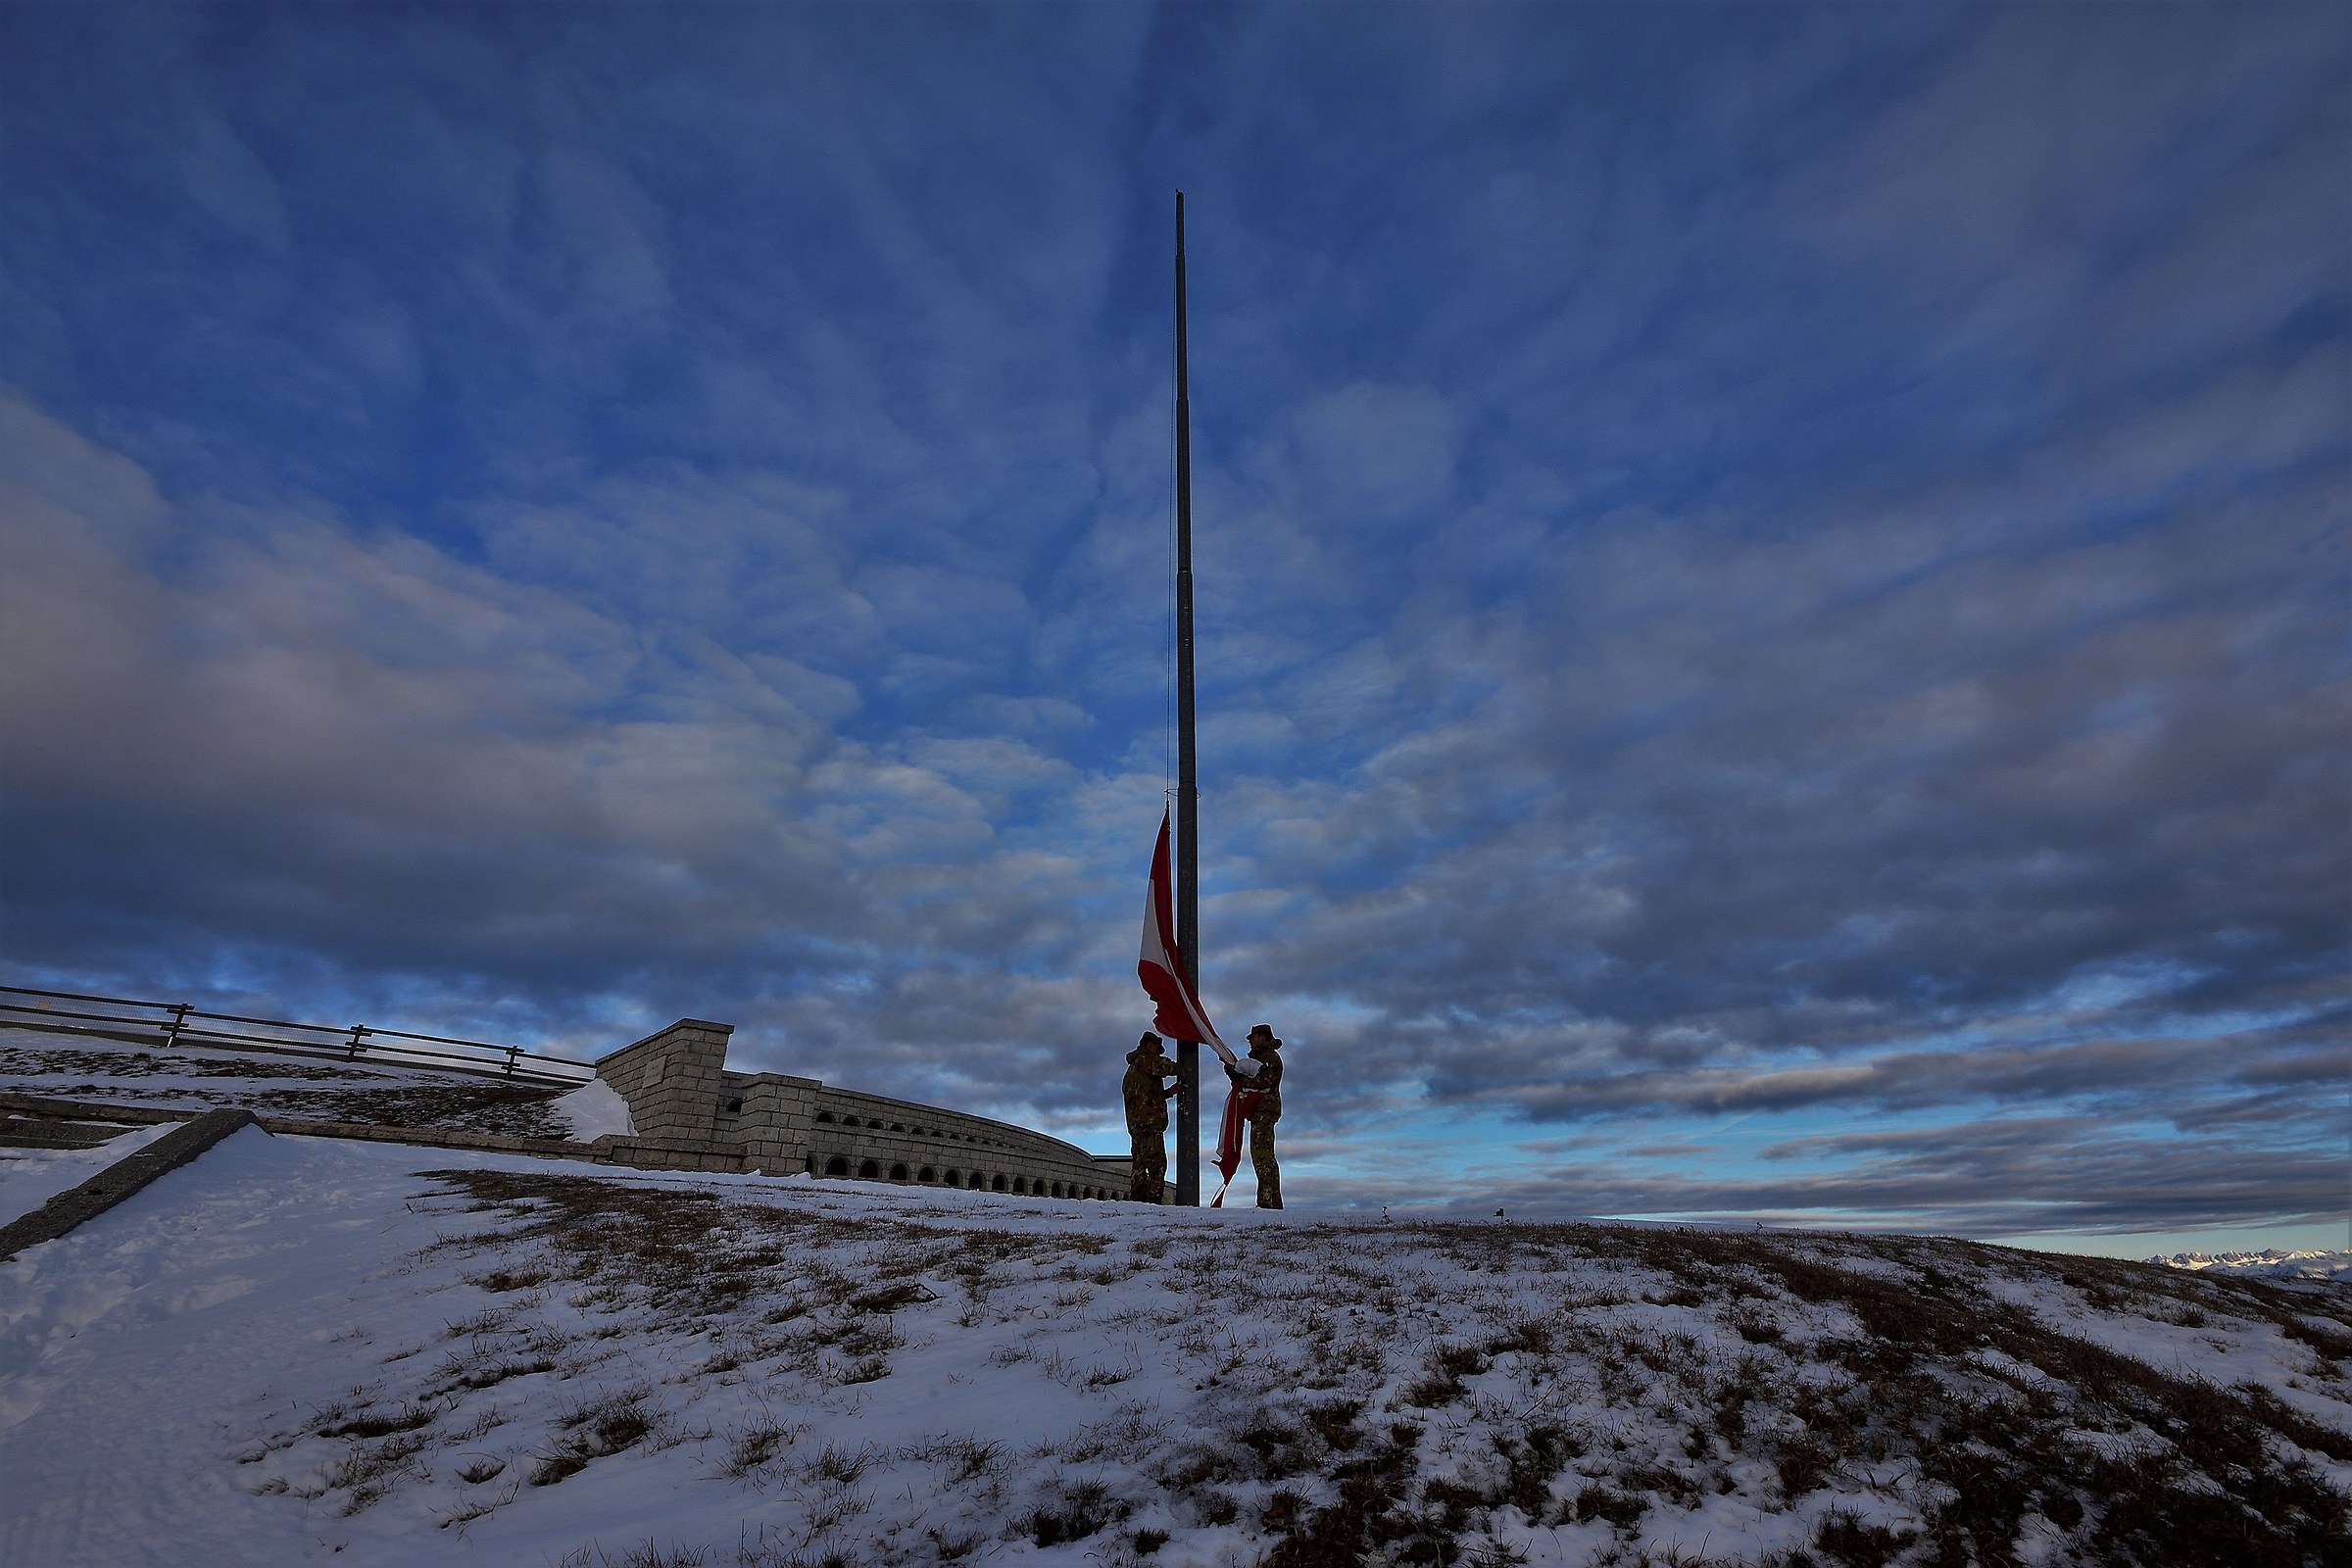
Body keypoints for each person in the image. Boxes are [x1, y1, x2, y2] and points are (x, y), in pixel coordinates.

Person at [1122, 1032, 1182, 1203]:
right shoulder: (1144, 1060)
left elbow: (1146, 1097)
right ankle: (1153, 1201)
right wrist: (1182, 1068)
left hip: (1136, 1125)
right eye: (1157, 1048)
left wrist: (1168, 1093)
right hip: (1148, 1124)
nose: (1159, 1053)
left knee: (1139, 1166)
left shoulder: (1133, 1068)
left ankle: (1138, 1201)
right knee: (1157, 1165)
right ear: (1150, 1046)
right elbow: (1163, 1067)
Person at [1229, 1023, 1284, 1208]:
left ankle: (1268, 1201)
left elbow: (1264, 1081)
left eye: (1253, 1037)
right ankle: (1271, 1201)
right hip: (1260, 1110)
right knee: (1261, 1153)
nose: (1250, 1041)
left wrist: (1241, 1079)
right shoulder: (1263, 1058)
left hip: (1265, 1109)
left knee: (1262, 1154)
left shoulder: (1270, 1058)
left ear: (1262, 1037)